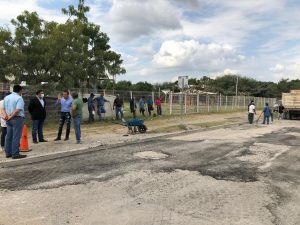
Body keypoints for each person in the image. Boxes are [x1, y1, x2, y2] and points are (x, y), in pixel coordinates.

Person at [3, 85, 26, 159]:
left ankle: (8, 153)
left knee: (8, 136)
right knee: (16, 136)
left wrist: (6, 116)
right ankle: (15, 154)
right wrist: (11, 116)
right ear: (20, 90)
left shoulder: (6, 97)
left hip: (8, 119)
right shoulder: (19, 98)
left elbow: (3, 108)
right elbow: (18, 110)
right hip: (17, 119)